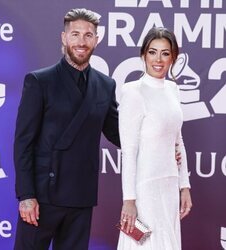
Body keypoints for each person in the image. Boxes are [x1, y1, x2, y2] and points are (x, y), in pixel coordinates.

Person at [13, 8, 120, 250]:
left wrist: (157, 144)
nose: (82, 42)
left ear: (97, 39)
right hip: (41, 197)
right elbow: (23, 142)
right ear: (64, 38)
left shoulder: (105, 85)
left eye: (88, 35)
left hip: (81, 196)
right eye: (75, 35)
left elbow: (117, 133)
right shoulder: (40, 81)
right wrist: (26, 196)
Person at [117, 27, 192, 250]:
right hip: (144, 190)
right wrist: (129, 200)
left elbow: (178, 141)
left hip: (169, 186)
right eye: (152, 52)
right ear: (143, 55)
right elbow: (129, 152)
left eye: (165, 53)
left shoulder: (173, 89)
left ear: (173, 58)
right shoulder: (133, 92)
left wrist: (184, 186)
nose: (158, 60)